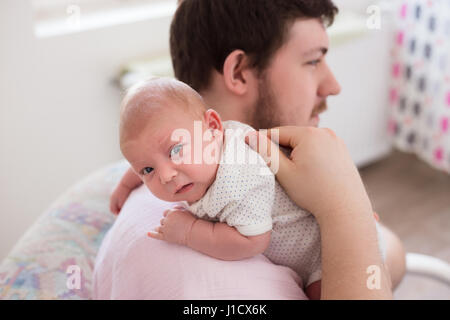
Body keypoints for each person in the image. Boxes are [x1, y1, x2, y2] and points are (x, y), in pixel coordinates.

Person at [94, 0, 405, 299]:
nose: (333, 86)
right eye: (312, 60)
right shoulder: (214, 259)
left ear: (213, 126)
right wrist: (346, 211)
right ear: (239, 71)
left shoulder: (226, 147)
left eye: (175, 151)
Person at [117, 77, 388, 300]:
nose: (165, 175)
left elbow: (253, 240)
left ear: (213, 127)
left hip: (325, 254)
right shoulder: (208, 145)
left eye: (176, 150)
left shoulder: (237, 181)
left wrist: (189, 232)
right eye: (148, 170)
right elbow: (150, 152)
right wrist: (130, 179)